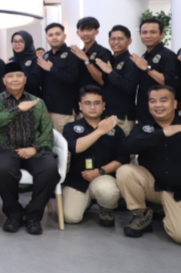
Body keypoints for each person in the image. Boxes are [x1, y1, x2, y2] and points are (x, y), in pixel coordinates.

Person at [0, 62, 60, 235]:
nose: (15, 79)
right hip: (6, 149)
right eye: (10, 76)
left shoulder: (38, 102)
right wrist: (17, 109)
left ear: (25, 79)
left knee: (50, 169)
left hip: (34, 150)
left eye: (19, 76)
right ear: (4, 80)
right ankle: (14, 214)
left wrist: (34, 148)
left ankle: (33, 216)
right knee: (3, 169)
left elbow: (47, 131)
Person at [117, 85, 181, 243]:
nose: (158, 105)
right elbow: (128, 146)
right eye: (153, 101)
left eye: (163, 100)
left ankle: (166, 212)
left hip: (177, 191)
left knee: (179, 235)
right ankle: (142, 214)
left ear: (174, 104)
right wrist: (161, 134)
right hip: (154, 187)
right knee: (125, 171)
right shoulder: (143, 127)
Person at [62, 86, 128, 226]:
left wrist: (100, 171)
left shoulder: (116, 130)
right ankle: (86, 202)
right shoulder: (71, 127)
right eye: (87, 103)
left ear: (103, 106)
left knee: (108, 191)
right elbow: (76, 148)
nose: (92, 107)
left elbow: (122, 158)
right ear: (80, 106)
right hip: (77, 179)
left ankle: (106, 207)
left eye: (97, 103)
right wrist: (99, 131)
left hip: (103, 176)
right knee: (70, 217)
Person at [131, 19, 179, 122]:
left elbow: (170, 82)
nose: (148, 36)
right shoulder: (144, 56)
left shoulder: (168, 55)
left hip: (162, 114)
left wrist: (147, 68)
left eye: (153, 32)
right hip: (144, 112)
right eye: (144, 32)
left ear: (162, 34)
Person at [95, 25, 138, 135]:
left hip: (122, 117)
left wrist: (110, 72)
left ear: (129, 41)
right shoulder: (110, 59)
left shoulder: (131, 61)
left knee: (123, 145)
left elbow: (129, 87)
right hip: (106, 114)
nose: (116, 42)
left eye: (120, 39)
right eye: (113, 39)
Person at [38, 23, 81, 133]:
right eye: (50, 35)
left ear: (64, 36)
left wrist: (51, 69)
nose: (54, 37)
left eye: (57, 34)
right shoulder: (46, 55)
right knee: (49, 141)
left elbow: (73, 78)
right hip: (47, 109)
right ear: (46, 38)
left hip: (63, 110)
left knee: (63, 142)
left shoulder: (72, 54)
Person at [70, 17, 112, 89]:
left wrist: (86, 60)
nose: (85, 33)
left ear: (96, 32)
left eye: (89, 30)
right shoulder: (78, 53)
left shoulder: (103, 52)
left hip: (96, 94)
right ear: (77, 33)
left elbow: (101, 81)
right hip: (79, 93)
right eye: (82, 30)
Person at [9, 31, 43, 97]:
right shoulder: (11, 60)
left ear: (27, 43)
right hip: (13, 99)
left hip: (31, 98)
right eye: (14, 41)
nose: (17, 44)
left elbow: (35, 83)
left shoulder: (35, 60)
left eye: (21, 41)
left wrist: (17, 68)